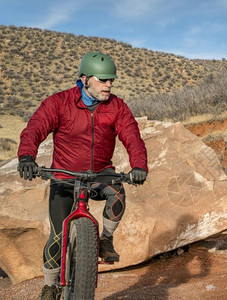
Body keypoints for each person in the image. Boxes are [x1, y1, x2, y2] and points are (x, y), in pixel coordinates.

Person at [17, 51, 148, 300]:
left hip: (100, 174)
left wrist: (139, 166)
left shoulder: (117, 106)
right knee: (57, 235)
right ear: (85, 78)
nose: (109, 85)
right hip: (64, 177)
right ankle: (50, 285)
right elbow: (35, 128)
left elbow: (132, 136)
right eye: (103, 80)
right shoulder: (59, 102)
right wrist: (26, 157)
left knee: (118, 193)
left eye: (112, 80)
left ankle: (105, 240)